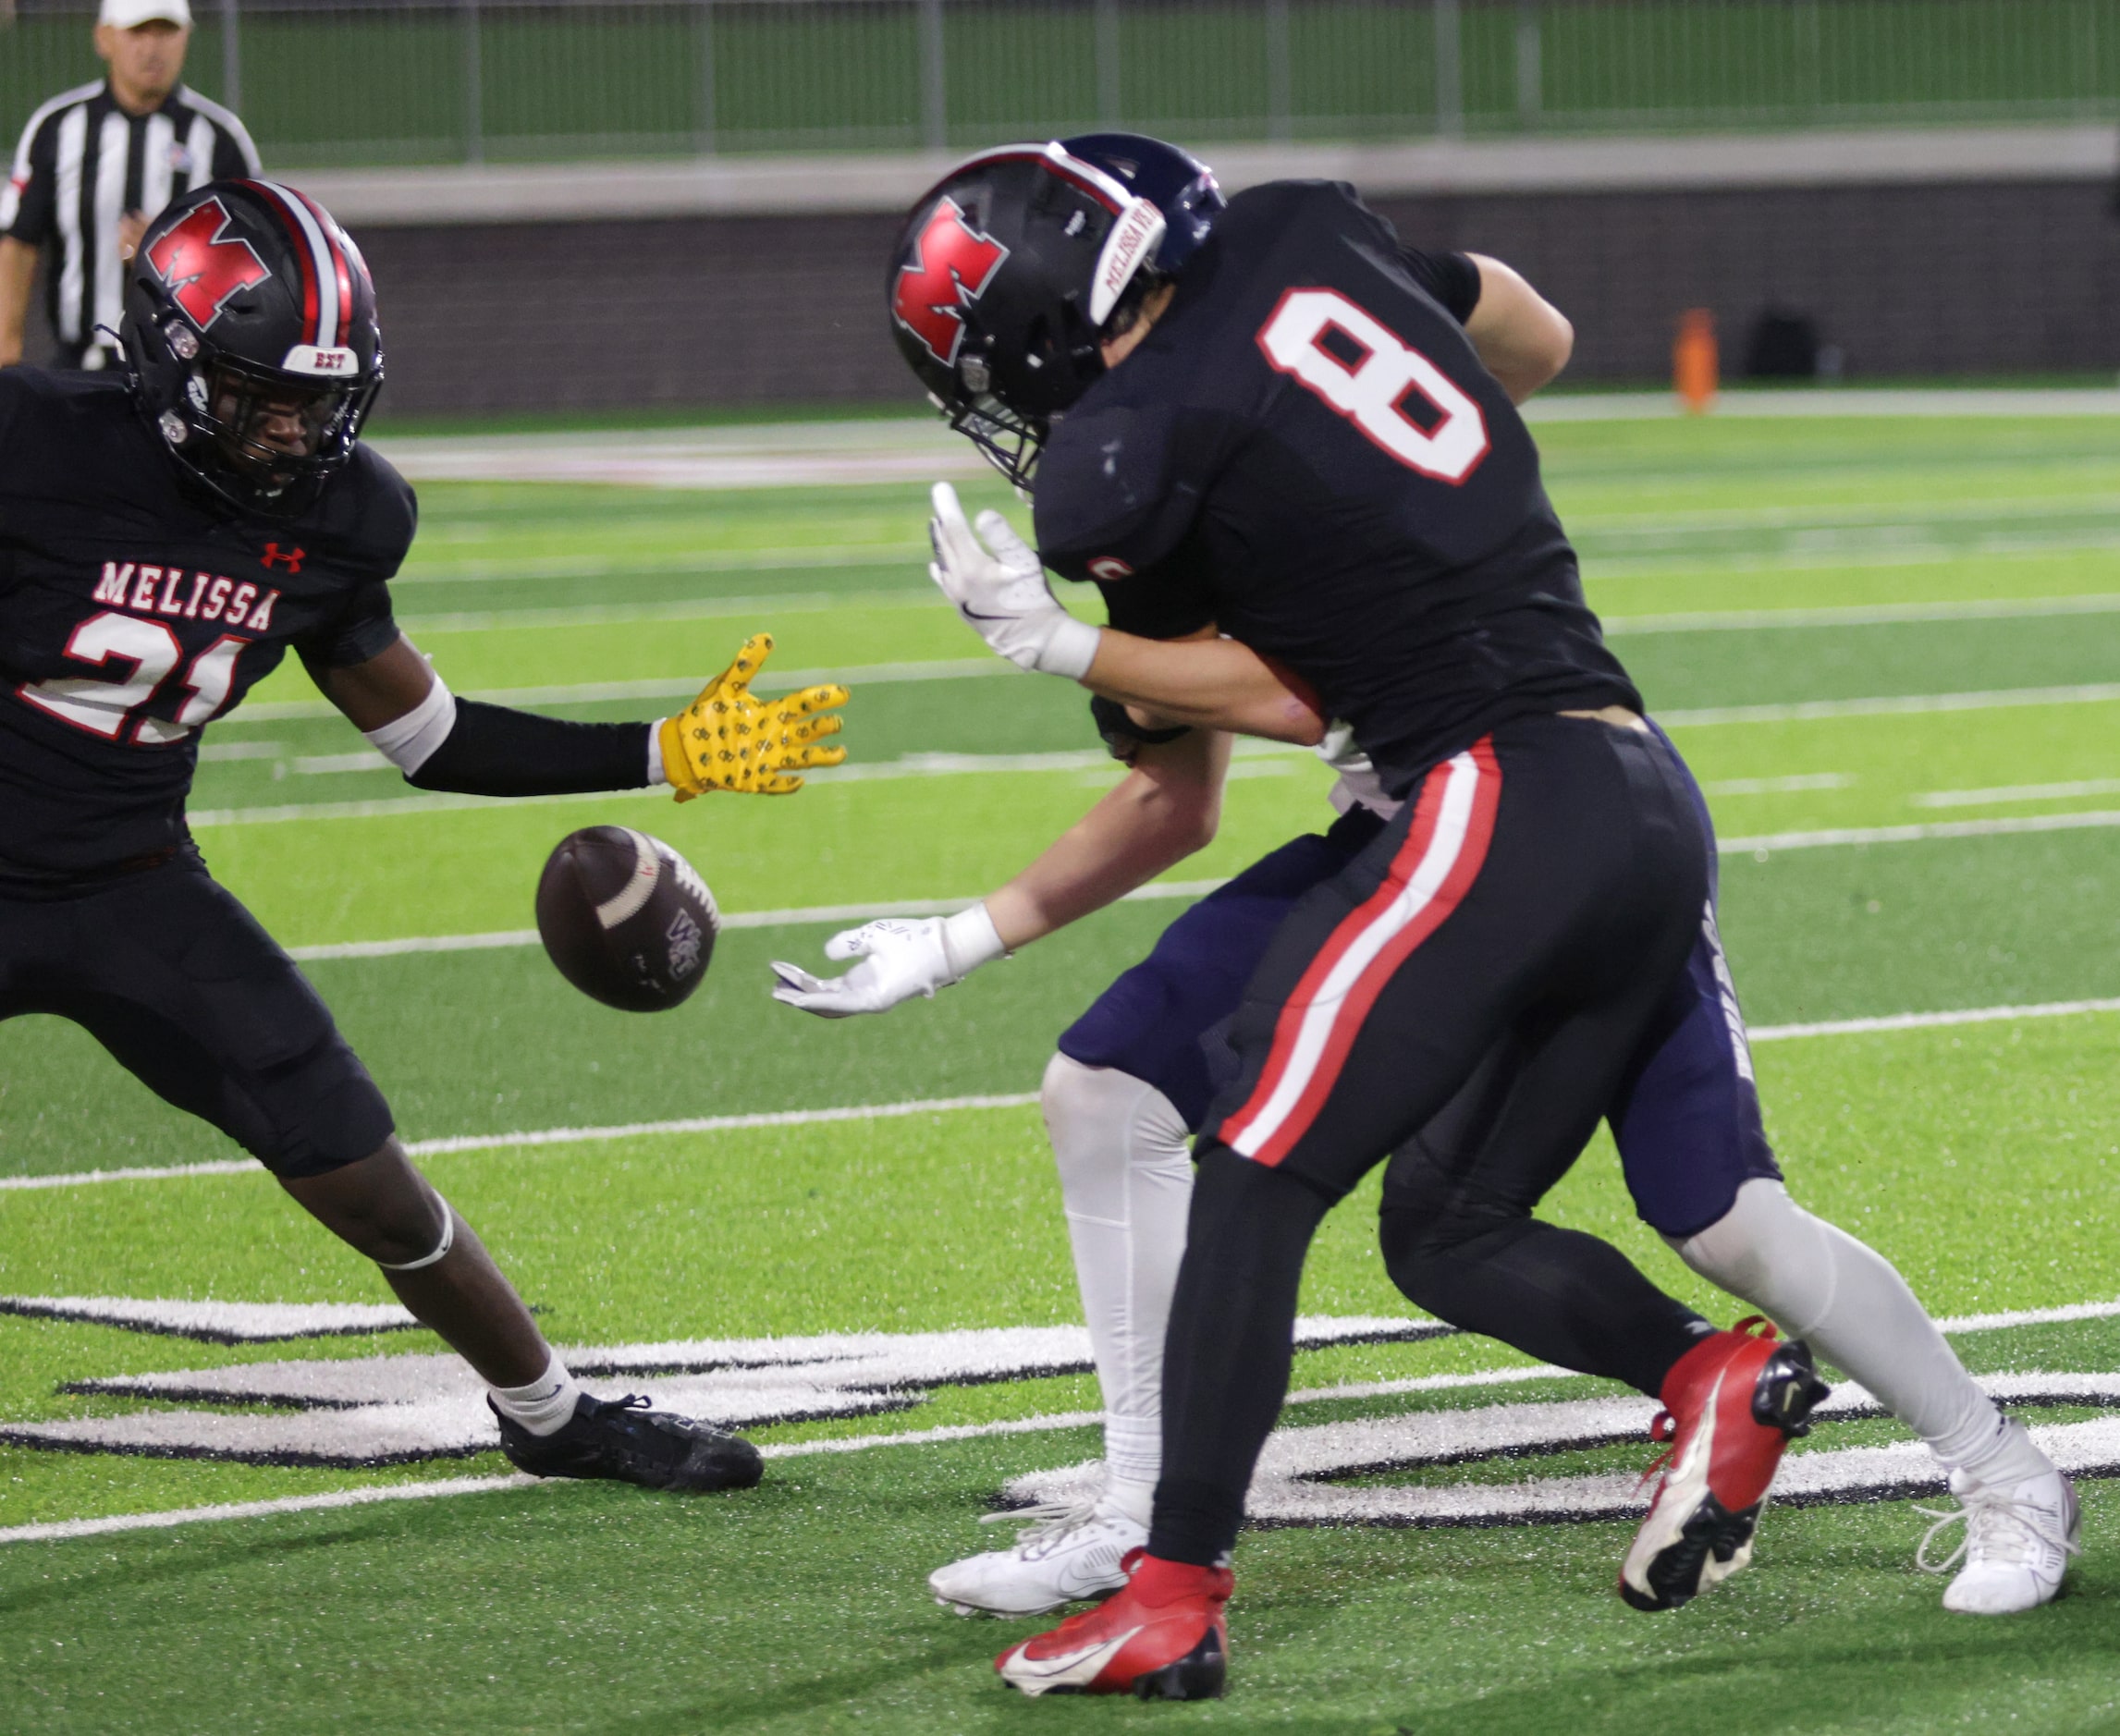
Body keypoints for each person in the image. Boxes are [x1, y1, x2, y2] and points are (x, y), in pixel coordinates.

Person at [844, 138, 2076, 1696]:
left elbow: (1267, 717)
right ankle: (1156, 1505)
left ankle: (1994, 1466)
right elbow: (1532, 343)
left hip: (1503, 786)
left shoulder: (1121, 465)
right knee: (1319, 1176)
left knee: (1631, 1198)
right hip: (1463, 798)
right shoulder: (1299, 234)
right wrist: (960, 936)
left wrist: (1063, 648)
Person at [0, 178, 848, 1492]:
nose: (292, 430)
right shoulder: (33, 443)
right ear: (170, 358)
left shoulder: (339, 520)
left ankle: (553, 1415)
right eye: (258, 392)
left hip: (129, 882)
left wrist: (660, 752)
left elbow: (430, 738)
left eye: (317, 399)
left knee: (365, 1168)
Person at [1, 0, 261, 373]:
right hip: (79, 363)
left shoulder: (221, 139)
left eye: (166, 32)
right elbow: (18, 242)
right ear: (104, 39)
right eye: (138, 32)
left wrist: (169, 255)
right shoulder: (58, 127)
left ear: (186, 37)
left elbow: (253, 259)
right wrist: (6, 351)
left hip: (186, 368)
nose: (153, 48)